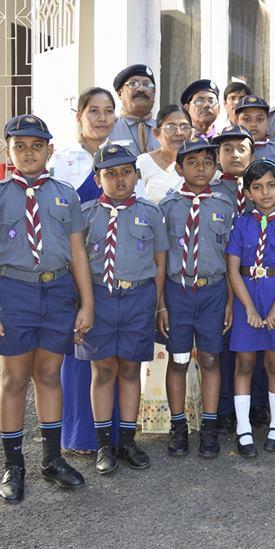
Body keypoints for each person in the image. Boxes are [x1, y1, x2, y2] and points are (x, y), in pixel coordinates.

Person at [0, 114, 92, 502]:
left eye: (37, 146)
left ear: (49, 150)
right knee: (14, 378)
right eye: (20, 146)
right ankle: (14, 465)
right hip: (14, 290)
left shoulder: (65, 194)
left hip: (57, 291)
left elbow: (78, 253)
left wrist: (86, 303)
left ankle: (52, 460)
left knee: (49, 374)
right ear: (7, 151)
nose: (28, 153)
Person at [77, 144, 167, 475]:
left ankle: (127, 441)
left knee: (130, 368)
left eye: (126, 173)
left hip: (138, 298)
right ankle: (104, 444)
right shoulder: (85, 214)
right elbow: (78, 263)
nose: (119, 180)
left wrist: (157, 305)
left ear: (136, 176)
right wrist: (82, 305)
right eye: (110, 174)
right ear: (97, 179)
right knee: (103, 370)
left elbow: (160, 262)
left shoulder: (151, 213)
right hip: (100, 297)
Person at [49, 87, 118, 458]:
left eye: (108, 110)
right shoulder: (63, 160)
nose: (102, 118)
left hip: (114, 268)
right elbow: (56, 215)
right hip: (75, 265)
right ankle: (78, 434)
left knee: (109, 351)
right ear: (79, 116)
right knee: (77, 349)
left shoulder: (122, 156)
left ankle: (114, 432)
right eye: (94, 110)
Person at [156, 137, 235, 458]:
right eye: (192, 163)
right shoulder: (167, 207)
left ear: (215, 167)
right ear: (179, 168)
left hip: (213, 290)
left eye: (207, 162)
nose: (201, 168)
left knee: (211, 358)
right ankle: (178, 427)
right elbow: (160, 259)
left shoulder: (224, 206)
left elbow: (231, 258)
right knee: (178, 360)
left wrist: (230, 301)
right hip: (177, 291)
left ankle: (209, 428)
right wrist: (161, 304)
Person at [226, 159, 275, 455]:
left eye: (272, 185)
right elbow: (233, 270)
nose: (265, 192)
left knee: (274, 364)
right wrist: (248, 308)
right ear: (247, 193)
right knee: (244, 363)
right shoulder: (241, 224)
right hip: (248, 296)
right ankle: (243, 429)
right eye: (257, 187)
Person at [211, 124, 269, 434]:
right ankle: (224, 408)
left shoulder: (264, 191)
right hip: (222, 277)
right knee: (224, 343)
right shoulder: (211, 192)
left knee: (256, 341)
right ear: (217, 155)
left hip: (257, 279)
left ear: (252, 154)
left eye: (241, 149)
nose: (234, 154)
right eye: (227, 149)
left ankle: (257, 402)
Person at [135, 105, 191, 204]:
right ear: (156, 133)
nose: (179, 133)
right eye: (171, 127)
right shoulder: (142, 163)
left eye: (184, 127)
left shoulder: (196, 165)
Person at [109, 64, 160, 155]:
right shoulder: (108, 128)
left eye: (147, 85)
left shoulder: (164, 129)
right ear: (120, 93)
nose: (141, 89)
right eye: (133, 84)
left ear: (154, 93)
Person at [235, 95, 275, 167]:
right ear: (236, 122)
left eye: (259, 119)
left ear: (268, 122)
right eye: (247, 119)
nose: (253, 124)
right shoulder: (228, 151)